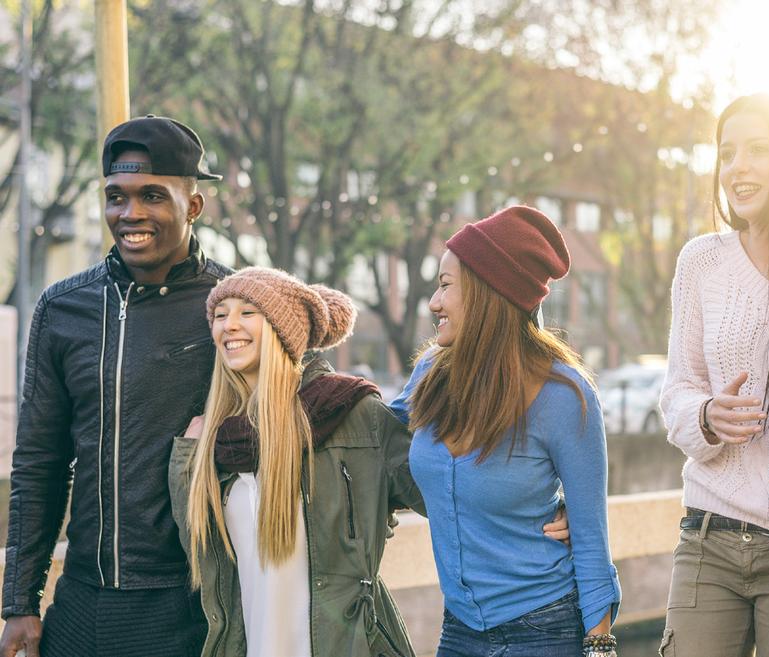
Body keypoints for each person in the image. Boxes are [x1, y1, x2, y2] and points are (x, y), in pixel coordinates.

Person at [1, 116, 230, 657]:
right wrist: (19, 603)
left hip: (195, 606)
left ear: (193, 206)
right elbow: (39, 462)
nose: (131, 214)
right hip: (82, 605)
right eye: (116, 197)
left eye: (152, 195)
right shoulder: (63, 309)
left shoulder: (233, 306)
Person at [657, 94, 769, 657]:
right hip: (708, 536)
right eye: (727, 152)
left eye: (758, 150)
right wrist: (708, 416)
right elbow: (676, 392)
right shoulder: (701, 260)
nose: (737, 167)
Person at [390, 205, 621, 657]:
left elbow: (592, 541)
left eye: (445, 286)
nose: (434, 302)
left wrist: (600, 648)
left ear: (486, 291)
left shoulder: (565, 395)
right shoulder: (430, 374)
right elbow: (373, 432)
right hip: (459, 628)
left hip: (544, 629)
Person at [168, 267, 424, 657]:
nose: (229, 326)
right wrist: (188, 456)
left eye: (247, 312)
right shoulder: (212, 438)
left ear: (281, 329)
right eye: (220, 315)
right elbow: (200, 555)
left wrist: (549, 506)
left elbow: (442, 492)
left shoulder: (352, 414)